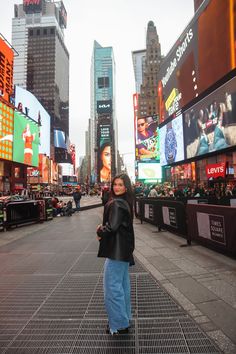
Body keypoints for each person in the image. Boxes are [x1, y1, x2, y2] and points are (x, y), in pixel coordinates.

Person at [96, 173, 135, 335]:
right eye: (115, 184)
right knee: (122, 286)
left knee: (112, 288)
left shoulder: (117, 204)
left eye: (120, 184)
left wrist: (100, 230)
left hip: (116, 252)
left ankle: (119, 324)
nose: (117, 187)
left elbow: (111, 227)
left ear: (126, 187)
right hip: (124, 251)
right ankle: (124, 319)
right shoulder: (125, 202)